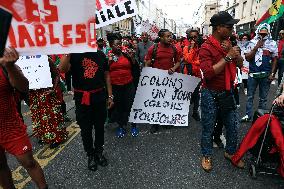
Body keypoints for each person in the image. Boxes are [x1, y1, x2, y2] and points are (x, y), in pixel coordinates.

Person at [199, 11, 244, 172]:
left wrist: (232, 52)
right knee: (208, 127)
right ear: (218, 28)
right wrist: (227, 57)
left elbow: (240, 63)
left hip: (227, 91)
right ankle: (206, 155)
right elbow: (209, 73)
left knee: (233, 125)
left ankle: (231, 152)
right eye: (229, 26)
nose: (233, 28)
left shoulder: (229, 43)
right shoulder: (205, 47)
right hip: (210, 92)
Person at [0, 48, 47, 189]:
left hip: (10, 127)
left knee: (28, 162)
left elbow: (24, 87)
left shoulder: (5, 63)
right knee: (0, 165)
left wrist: (10, 66)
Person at [59, 50, 113, 172]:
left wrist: (110, 96)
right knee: (86, 129)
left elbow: (106, 75)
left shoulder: (100, 54)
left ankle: (99, 152)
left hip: (99, 97)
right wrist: (68, 52)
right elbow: (62, 69)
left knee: (99, 127)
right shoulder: (73, 54)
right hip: (82, 99)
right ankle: (90, 155)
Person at [144, 29, 181, 133]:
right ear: (161, 37)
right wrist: (148, 74)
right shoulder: (153, 48)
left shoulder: (174, 48)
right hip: (156, 80)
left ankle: (165, 120)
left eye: (171, 36)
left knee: (166, 101)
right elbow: (147, 62)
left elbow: (178, 61)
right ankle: (154, 123)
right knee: (155, 101)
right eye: (168, 36)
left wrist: (173, 69)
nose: (170, 38)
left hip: (168, 80)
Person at [241, 23, 278, 122]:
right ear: (257, 32)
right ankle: (248, 116)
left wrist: (272, 74)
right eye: (261, 33)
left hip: (266, 75)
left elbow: (275, 59)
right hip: (253, 75)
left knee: (263, 98)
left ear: (268, 33)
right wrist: (256, 47)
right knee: (250, 97)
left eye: (265, 34)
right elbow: (248, 58)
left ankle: (261, 118)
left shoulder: (272, 43)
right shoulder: (251, 43)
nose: (263, 36)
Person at [29, 57, 68, 149]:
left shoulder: (46, 59)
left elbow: (57, 75)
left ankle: (57, 138)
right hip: (34, 95)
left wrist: (53, 89)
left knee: (51, 116)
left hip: (47, 93)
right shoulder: (24, 62)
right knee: (38, 116)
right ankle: (43, 136)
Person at [106, 33, 138, 138]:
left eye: (120, 43)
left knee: (131, 105)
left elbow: (135, 67)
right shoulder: (108, 56)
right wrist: (109, 62)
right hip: (116, 86)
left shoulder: (126, 54)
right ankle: (121, 126)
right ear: (111, 45)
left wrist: (132, 58)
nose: (119, 46)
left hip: (128, 84)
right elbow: (105, 73)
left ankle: (134, 125)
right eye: (116, 44)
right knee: (119, 107)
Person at [182, 28, 202, 121]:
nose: (193, 39)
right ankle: (184, 114)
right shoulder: (186, 48)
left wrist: (195, 62)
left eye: (195, 37)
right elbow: (188, 60)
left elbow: (201, 61)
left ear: (198, 37)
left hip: (198, 75)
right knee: (187, 95)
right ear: (188, 39)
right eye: (191, 37)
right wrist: (192, 48)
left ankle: (195, 112)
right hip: (188, 75)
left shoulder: (202, 48)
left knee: (197, 94)